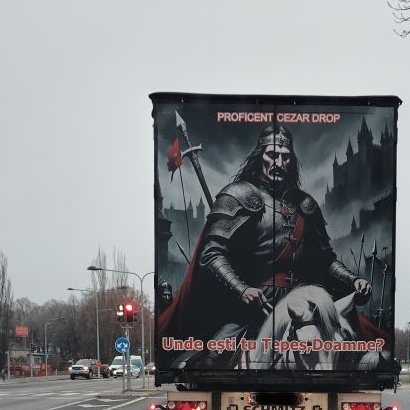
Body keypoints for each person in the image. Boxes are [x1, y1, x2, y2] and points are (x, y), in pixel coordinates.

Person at [158, 124, 375, 368]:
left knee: (351, 350)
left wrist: (352, 279)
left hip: (304, 301)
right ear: (259, 156)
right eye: (272, 155)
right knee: (214, 360)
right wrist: (241, 289)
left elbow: (326, 259)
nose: (279, 163)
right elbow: (211, 253)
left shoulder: (305, 205)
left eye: (285, 157)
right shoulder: (237, 195)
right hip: (253, 303)